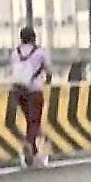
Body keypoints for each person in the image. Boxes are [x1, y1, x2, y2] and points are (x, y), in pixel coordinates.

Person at [10, 25, 53, 168]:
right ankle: (28, 144)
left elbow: (13, 70)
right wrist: (47, 81)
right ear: (34, 38)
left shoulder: (15, 52)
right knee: (34, 121)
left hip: (19, 91)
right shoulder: (40, 52)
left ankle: (33, 154)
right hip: (34, 91)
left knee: (30, 120)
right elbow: (49, 70)